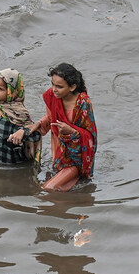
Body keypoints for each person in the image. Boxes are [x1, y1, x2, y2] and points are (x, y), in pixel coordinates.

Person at [27, 63, 97, 192]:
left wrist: (71, 131)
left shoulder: (83, 104)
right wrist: (37, 124)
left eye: (59, 86)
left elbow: (90, 136)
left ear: (72, 87)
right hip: (59, 151)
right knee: (55, 188)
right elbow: (50, 117)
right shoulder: (51, 96)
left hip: (76, 158)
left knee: (48, 188)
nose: (54, 89)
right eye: (53, 84)